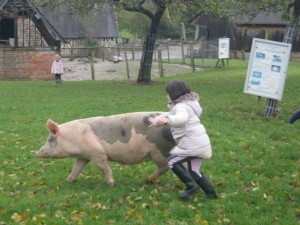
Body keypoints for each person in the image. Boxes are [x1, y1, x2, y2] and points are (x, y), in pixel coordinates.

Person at [148, 80, 217, 201]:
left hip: (192, 144)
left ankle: (191, 186)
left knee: (171, 161)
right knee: (194, 171)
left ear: (174, 93)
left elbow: (181, 119)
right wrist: (156, 121)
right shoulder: (186, 104)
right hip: (198, 143)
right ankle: (212, 195)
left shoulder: (181, 107)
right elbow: (169, 114)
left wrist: (168, 121)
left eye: (168, 93)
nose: (166, 95)